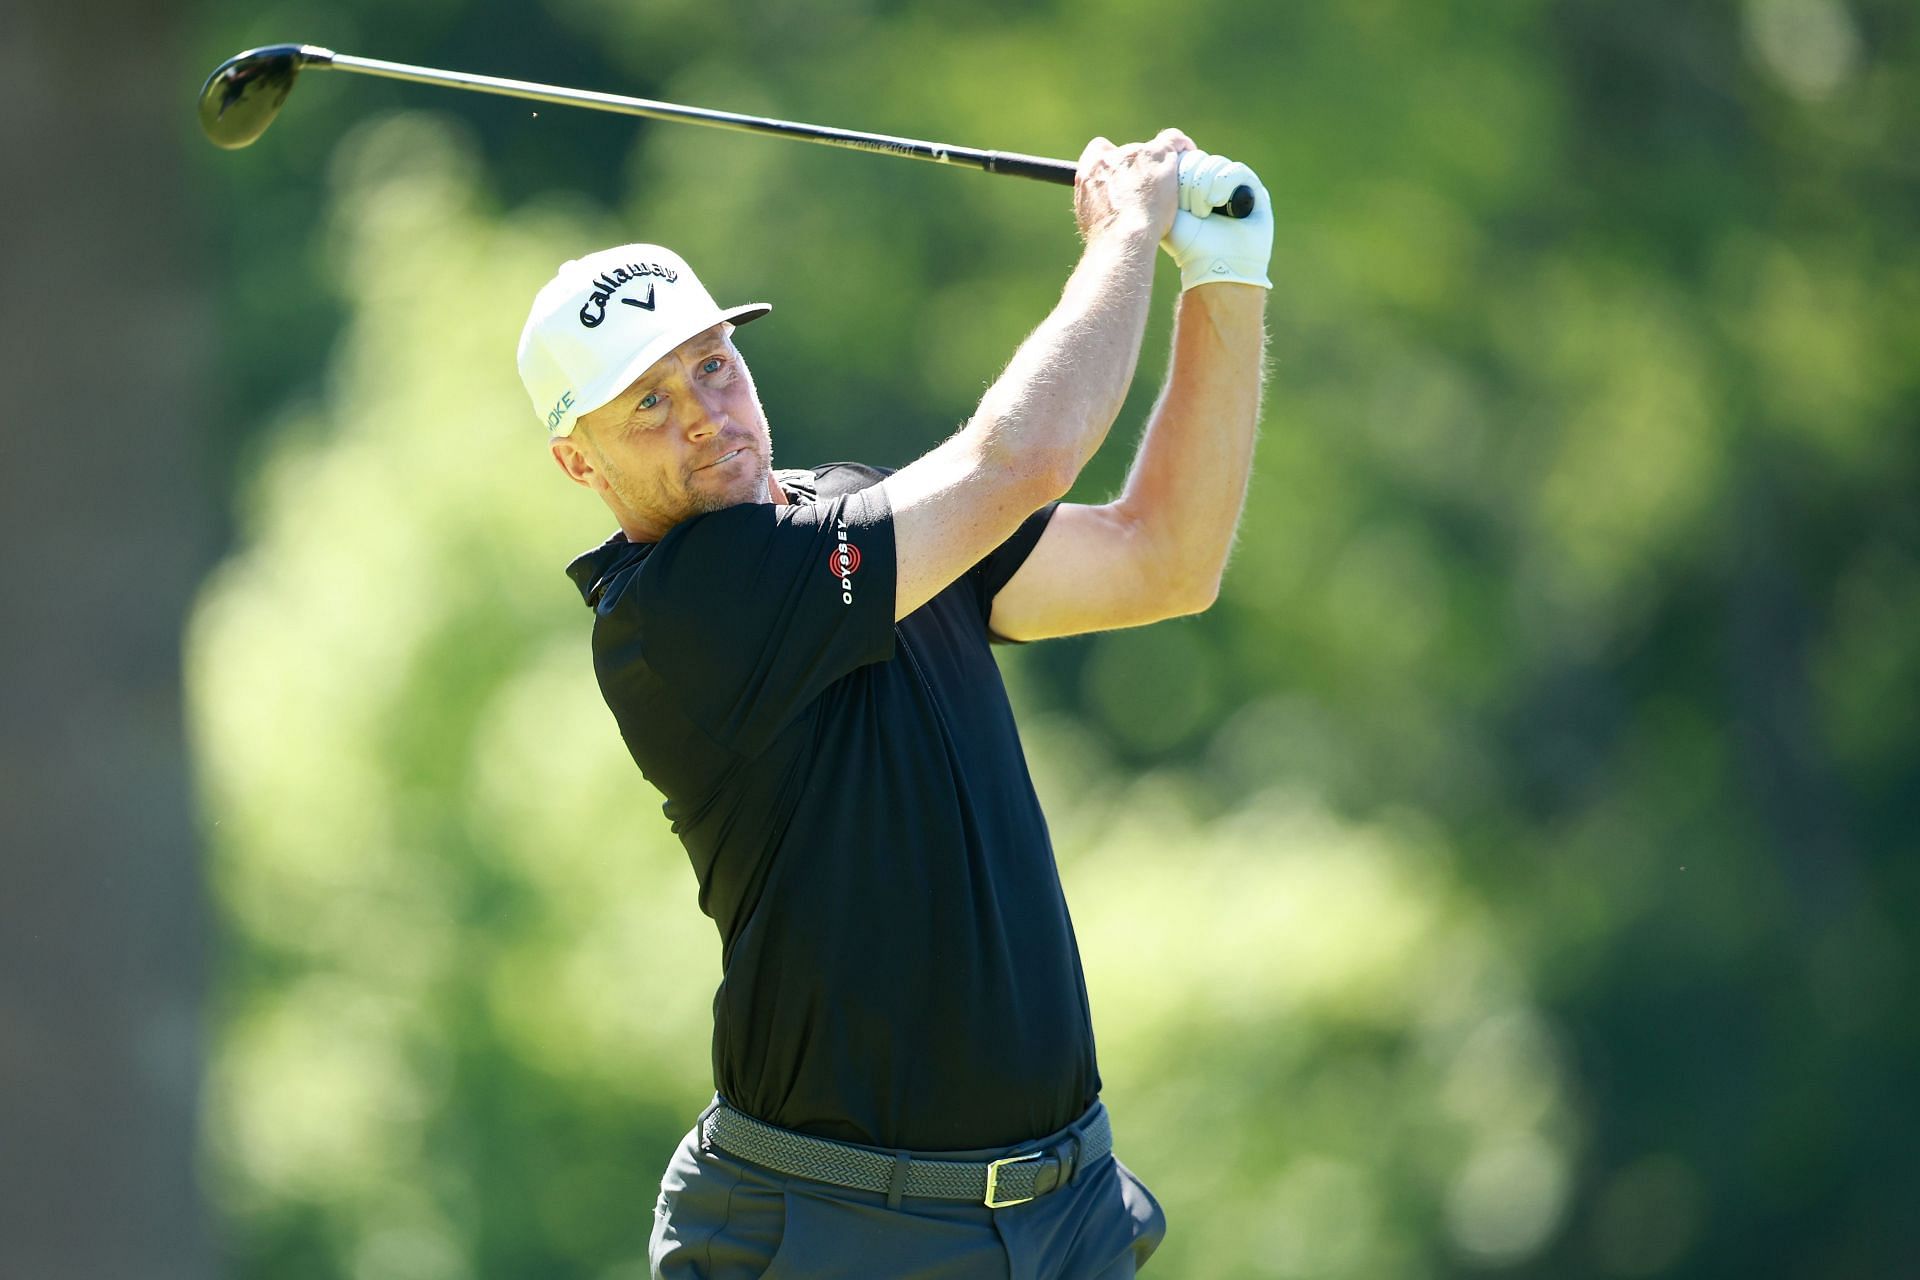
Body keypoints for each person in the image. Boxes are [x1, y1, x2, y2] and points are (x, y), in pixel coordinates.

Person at [516, 129, 1269, 1279]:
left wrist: (1224, 279)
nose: (706, 415)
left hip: (1063, 1211)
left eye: (713, 365)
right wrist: (1125, 236)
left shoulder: (864, 518)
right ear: (581, 463)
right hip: (841, 1230)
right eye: (647, 405)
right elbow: (1021, 457)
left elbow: (1165, 555)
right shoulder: (674, 615)